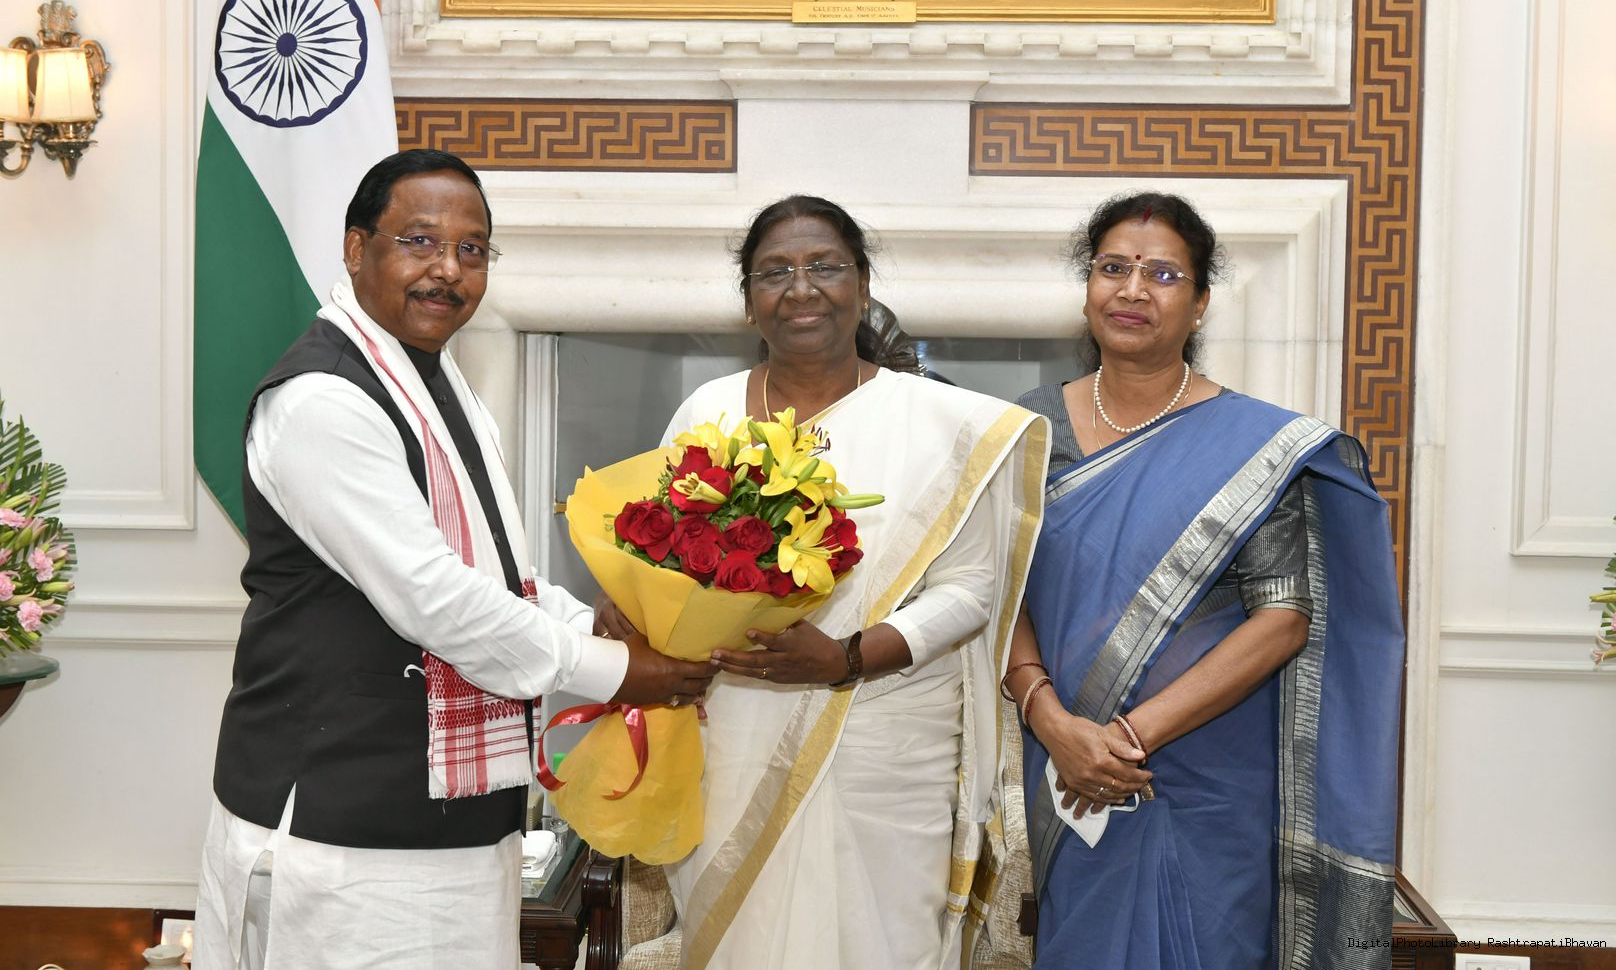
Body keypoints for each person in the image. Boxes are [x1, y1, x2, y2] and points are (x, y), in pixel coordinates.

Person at [193, 149, 715, 970]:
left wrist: (601, 622)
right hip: (345, 829)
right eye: (420, 241)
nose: (448, 269)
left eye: (472, 249)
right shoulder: (324, 399)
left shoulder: (440, 386)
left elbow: (501, 580)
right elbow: (434, 598)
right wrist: (619, 669)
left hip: (451, 820)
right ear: (356, 248)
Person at [597, 194, 1049, 969]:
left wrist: (847, 656)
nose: (800, 288)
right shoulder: (707, 410)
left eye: (824, 267)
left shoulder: (941, 423)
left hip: (884, 739)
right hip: (728, 732)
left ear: (863, 286)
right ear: (748, 301)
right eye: (774, 271)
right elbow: (654, 552)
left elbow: (972, 590)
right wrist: (625, 607)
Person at [1004, 192, 1404, 968]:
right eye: (1112, 268)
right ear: (1087, 289)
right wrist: (1051, 720)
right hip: (1064, 764)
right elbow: (1001, 590)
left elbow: (1284, 615)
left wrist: (1128, 738)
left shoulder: (1253, 444)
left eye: (1162, 274)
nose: (1132, 289)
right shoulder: (1027, 429)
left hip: (1201, 772)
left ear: (1200, 302)